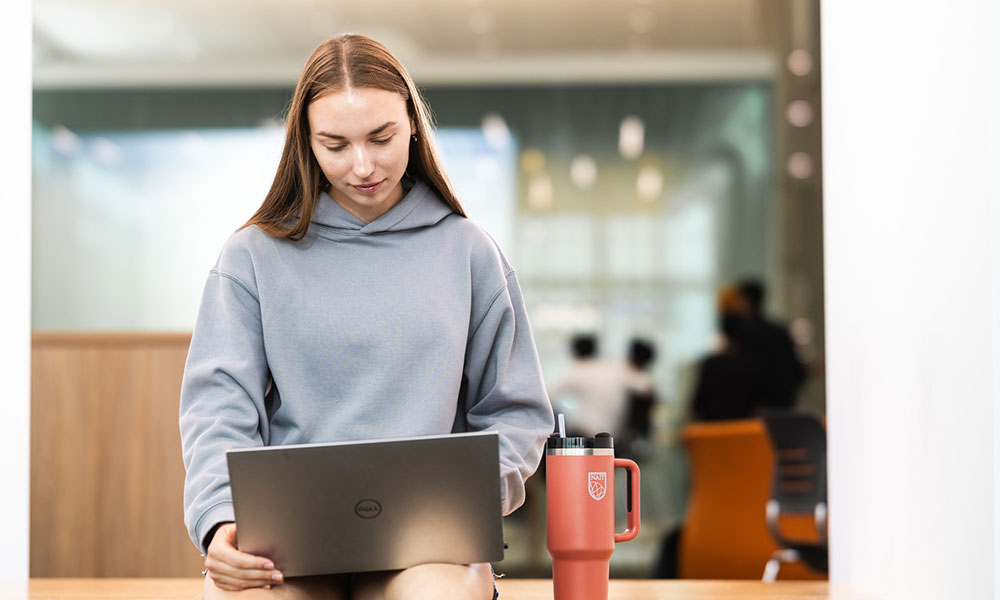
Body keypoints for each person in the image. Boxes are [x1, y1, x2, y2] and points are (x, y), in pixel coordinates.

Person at [179, 34, 554, 600]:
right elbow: (217, 408)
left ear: (412, 124)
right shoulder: (251, 257)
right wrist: (218, 518)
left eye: (382, 137)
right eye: (335, 145)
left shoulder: (470, 251)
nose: (363, 166)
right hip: (287, 543)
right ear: (306, 144)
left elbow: (516, 411)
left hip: (431, 546)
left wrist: (471, 502)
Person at [735, 279, 805, 410]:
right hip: (784, 406)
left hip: (758, 411)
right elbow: (797, 372)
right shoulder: (779, 330)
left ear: (747, 301)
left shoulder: (745, 334)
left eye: (738, 300)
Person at [547, 334, 631, 439]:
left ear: (575, 351)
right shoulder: (611, 369)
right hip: (616, 434)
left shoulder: (578, 370)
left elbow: (547, 397)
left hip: (589, 434)